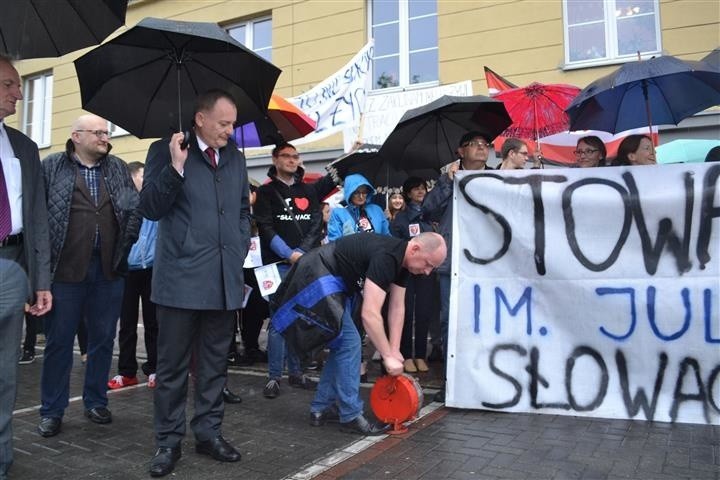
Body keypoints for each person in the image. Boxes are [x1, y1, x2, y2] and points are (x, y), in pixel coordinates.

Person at [140, 89, 252, 477]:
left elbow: (241, 210)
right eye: (224, 123)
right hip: (180, 280)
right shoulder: (166, 150)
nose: (230, 131)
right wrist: (175, 166)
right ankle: (168, 441)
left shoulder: (235, 157)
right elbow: (151, 207)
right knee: (171, 368)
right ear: (200, 119)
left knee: (214, 365)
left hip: (224, 279)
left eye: (233, 123)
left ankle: (208, 432)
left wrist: (237, 248)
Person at [271, 232, 446, 435]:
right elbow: (370, 314)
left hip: (330, 278)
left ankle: (321, 408)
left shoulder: (402, 262)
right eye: (428, 264)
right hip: (318, 273)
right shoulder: (387, 257)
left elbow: (398, 308)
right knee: (350, 343)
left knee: (343, 345)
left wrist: (395, 349)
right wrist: (387, 355)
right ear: (415, 249)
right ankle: (350, 415)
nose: (427, 272)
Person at [38, 114, 139, 439]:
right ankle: (52, 410)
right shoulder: (52, 166)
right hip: (65, 271)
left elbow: (134, 209)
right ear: (76, 136)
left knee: (102, 340)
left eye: (106, 133)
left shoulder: (118, 168)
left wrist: (126, 245)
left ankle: (96, 401)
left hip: (109, 270)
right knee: (59, 343)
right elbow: (38, 215)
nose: (103, 138)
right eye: (96, 133)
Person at [0, 55, 52, 480]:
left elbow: (36, 219)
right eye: (8, 84)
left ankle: (1, 459)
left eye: (18, 85)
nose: (19, 93)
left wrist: (41, 280)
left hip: (14, 261)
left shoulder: (24, 148)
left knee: (4, 375)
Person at [254, 142, 335, 399]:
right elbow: (266, 228)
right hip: (277, 265)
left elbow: (314, 224)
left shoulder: (308, 190)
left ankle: (297, 372)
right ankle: (274, 376)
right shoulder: (266, 193)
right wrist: (289, 254)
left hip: (303, 262)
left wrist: (301, 253)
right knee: (278, 321)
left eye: (295, 156)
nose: (292, 160)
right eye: (286, 156)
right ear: (275, 159)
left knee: (300, 317)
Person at [422, 130, 494, 402]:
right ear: (460, 152)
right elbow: (427, 211)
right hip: (452, 263)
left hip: (487, 262)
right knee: (450, 322)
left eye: (484, 144)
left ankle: (485, 378)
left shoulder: (496, 177)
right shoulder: (447, 179)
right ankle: (452, 380)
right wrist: (447, 183)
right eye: (473, 144)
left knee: (484, 321)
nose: (481, 148)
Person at [108, 161, 159, 390]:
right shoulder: (123, 203)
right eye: (141, 177)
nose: (144, 180)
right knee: (126, 323)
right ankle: (126, 372)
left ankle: (155, 368)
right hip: (128, 270)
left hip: (152, 269)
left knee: (153, 322)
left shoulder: (156, 203)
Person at [391, 177, 438, 373]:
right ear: (408, 193)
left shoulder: (430, 215)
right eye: (416, 189)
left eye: (423, 188)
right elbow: (396, 244)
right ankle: (406, 354)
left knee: (424, 312)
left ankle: (420, 355)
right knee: (406, 312)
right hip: (407, 272)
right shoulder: (401, 219)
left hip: (427, 272)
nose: (420, 192)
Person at [327, 174, 390, 240]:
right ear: (350, 193)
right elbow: (334, 242)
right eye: (356, 193)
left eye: (364, 192)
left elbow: (387, 238)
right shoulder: (339, 214)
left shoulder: (376, 210)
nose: (361, 196)